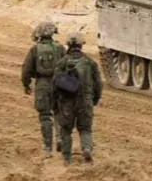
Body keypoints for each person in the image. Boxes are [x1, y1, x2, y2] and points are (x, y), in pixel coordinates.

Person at [53, 33, 102, 165]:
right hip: (85, 101)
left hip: (66, 103)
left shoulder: (62, 62)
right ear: (81, 45)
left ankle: (67, 158)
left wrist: (55, 103)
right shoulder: (90, 63)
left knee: (65, 130)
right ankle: (86, 149)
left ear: (68, 45)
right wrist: (95, 99)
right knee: (85, 129)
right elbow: (98, 84)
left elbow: (55, 84)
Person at [20, 21, 64, 154]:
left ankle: (48, 147)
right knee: (59, 112)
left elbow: (26, 70)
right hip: (59, 84)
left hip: (42, 85)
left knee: (45, 116)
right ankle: (60, 138)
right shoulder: (60, 48)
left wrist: (26, 85)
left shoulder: (35, 49)